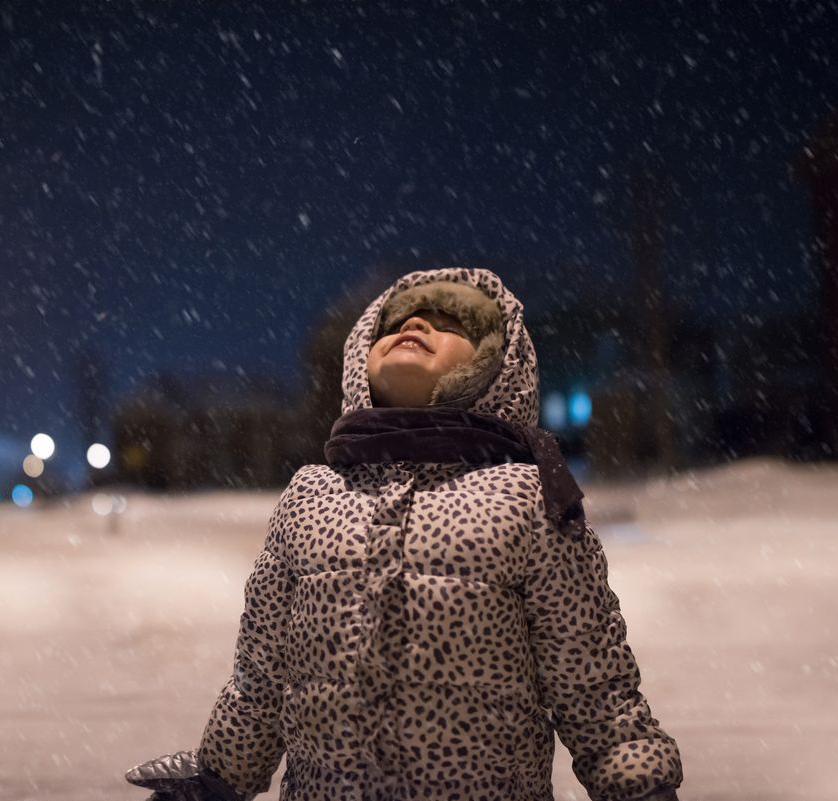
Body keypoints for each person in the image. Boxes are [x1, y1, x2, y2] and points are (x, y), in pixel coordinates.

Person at [126, 268, 683, 801]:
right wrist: (219, 779)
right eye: (393, 325)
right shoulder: (310, 495)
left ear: (494, 368)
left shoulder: (528, 497)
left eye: (450, 324)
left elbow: (593, 685)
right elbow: (262, 679)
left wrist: (636, 781)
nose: (413, 327)